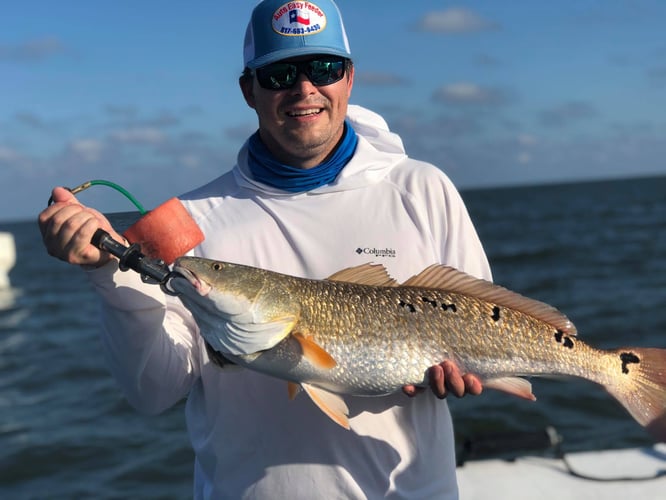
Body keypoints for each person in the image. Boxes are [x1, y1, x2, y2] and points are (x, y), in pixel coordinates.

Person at [39, 0, 491, 498]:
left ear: (349, 78)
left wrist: (469, 372)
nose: (304, 89)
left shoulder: (422, 188)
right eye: (280, 73)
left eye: (324, 68)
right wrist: (108, 274)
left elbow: (481, 323)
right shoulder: (189, 221)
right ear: (248, 89)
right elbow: (152, 390)